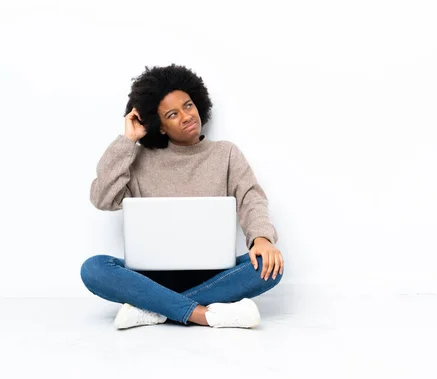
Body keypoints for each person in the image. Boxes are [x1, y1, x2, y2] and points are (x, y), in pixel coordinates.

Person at [80, 64, 284, 330]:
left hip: (214, 274)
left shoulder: (226, 153)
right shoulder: (139, 159)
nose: (187, 116)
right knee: (94, 268)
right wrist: (128, 141)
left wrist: (262, 240)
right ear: (160, 126)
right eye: (173, 114)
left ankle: (154, 309)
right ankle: (202, 313)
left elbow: (251, 198)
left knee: (271, 266)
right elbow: (103, 198)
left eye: (188, 106)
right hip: (152, 277)